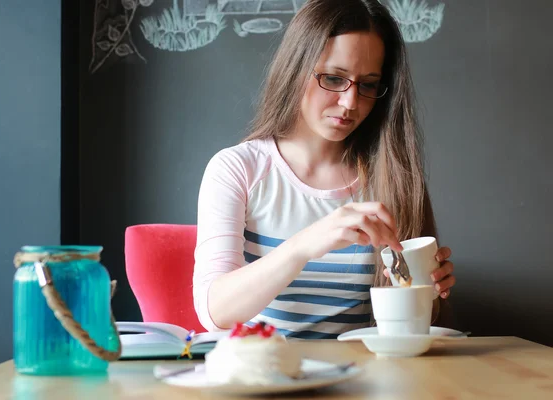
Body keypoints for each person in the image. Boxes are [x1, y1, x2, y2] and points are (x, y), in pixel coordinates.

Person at [192, 0, 456, 338]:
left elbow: (414, 323)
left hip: (363, 379)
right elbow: (215, 313)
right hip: (268, 375)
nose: (350, 103)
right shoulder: (238, 169)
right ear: (295, 68)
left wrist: (428, 289)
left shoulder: (392, 176)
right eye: (334, 78)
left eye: (368, 85)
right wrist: (306, 244)